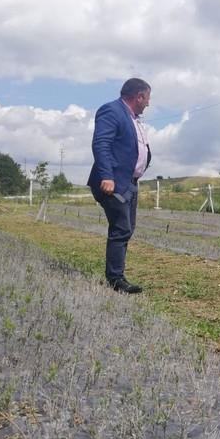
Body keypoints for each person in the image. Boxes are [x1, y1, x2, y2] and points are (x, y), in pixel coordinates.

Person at [87, 78, 152, 294]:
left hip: (129, 183)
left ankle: (116, 275)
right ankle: (115, 279)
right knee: (121, 228)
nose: (148, 103)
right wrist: (107, 176)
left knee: (127, 229)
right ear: (138, 96)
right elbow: (101, 144)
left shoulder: (133, 119)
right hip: (113, 182)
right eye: (147, 98)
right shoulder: (112, 111)